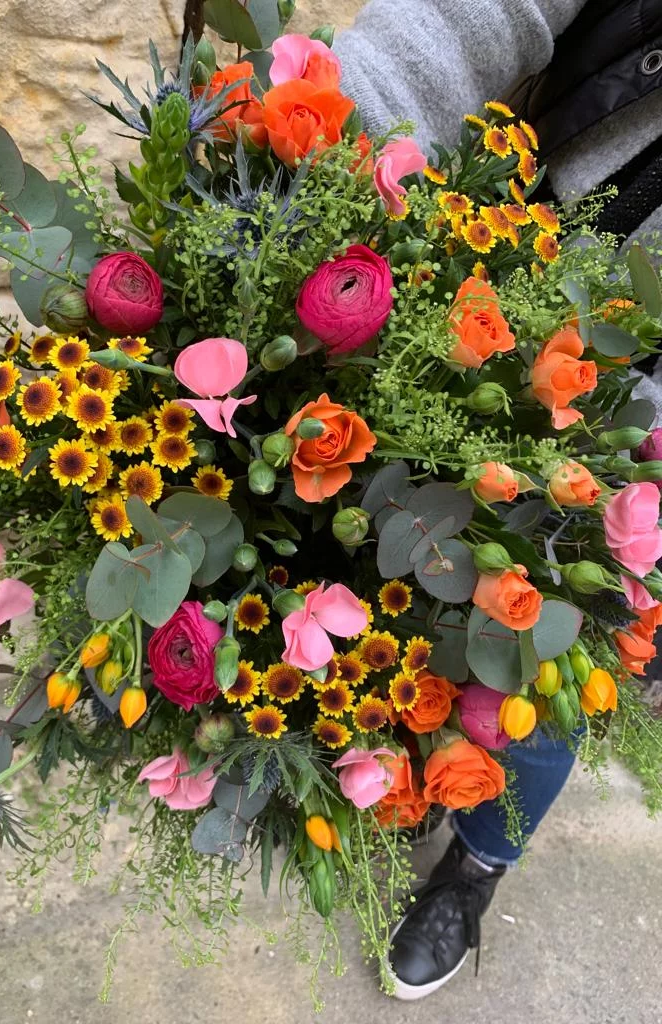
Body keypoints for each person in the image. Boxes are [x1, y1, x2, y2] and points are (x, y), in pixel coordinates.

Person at [334, 0, 662, 1000]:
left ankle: (477, 859)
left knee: (547, 669)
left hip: (641, 452)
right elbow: (470, 14)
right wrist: (331, 130)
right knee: (386, 571)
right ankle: (397, 766)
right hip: (503, 288)